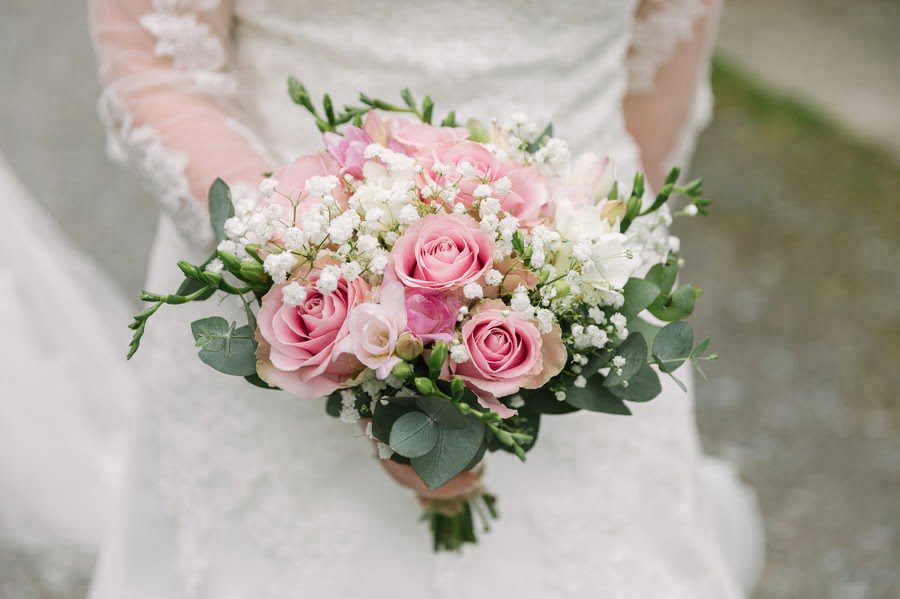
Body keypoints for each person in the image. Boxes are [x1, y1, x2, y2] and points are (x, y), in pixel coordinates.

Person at [88, 1, 764, 596]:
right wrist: (312, 284)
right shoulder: (299, 281)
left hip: (577, 297)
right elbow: (158, 69)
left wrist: (572, 284)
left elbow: (660, 70)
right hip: (290, 300)